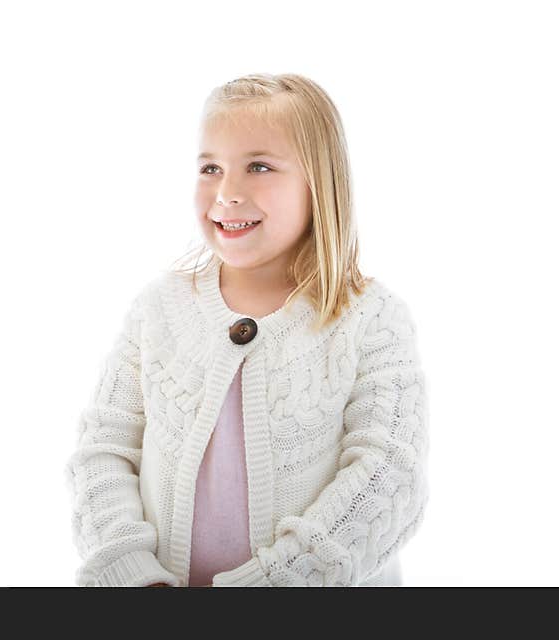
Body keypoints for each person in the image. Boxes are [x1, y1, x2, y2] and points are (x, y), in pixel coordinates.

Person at [63, 72, 429, 587]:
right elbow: (104, 448)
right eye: (211, 167)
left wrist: (276, 581)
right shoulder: (158, 309)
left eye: (259, 167)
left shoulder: (371, 318)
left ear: (318, 184)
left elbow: (389, 475)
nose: (227, 192)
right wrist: (132, 572)